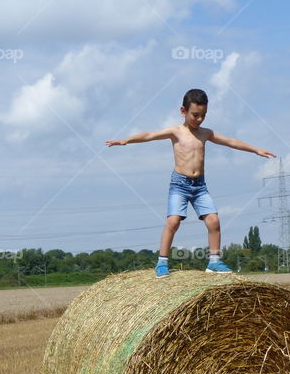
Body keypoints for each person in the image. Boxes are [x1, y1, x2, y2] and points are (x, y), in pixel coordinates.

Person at [106, 88, 276, 278]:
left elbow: (230, 141)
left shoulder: (205, 133)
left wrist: (255, 150)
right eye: (195, 115)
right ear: (183, 111)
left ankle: (214, 261)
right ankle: (162, 262)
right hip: (180, 184)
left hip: (200, 186)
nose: (199, 119)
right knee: (173, 221)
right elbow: (149, 135)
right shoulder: (176, 132)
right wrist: (125, 140)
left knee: (214, 221)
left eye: (203, 115)